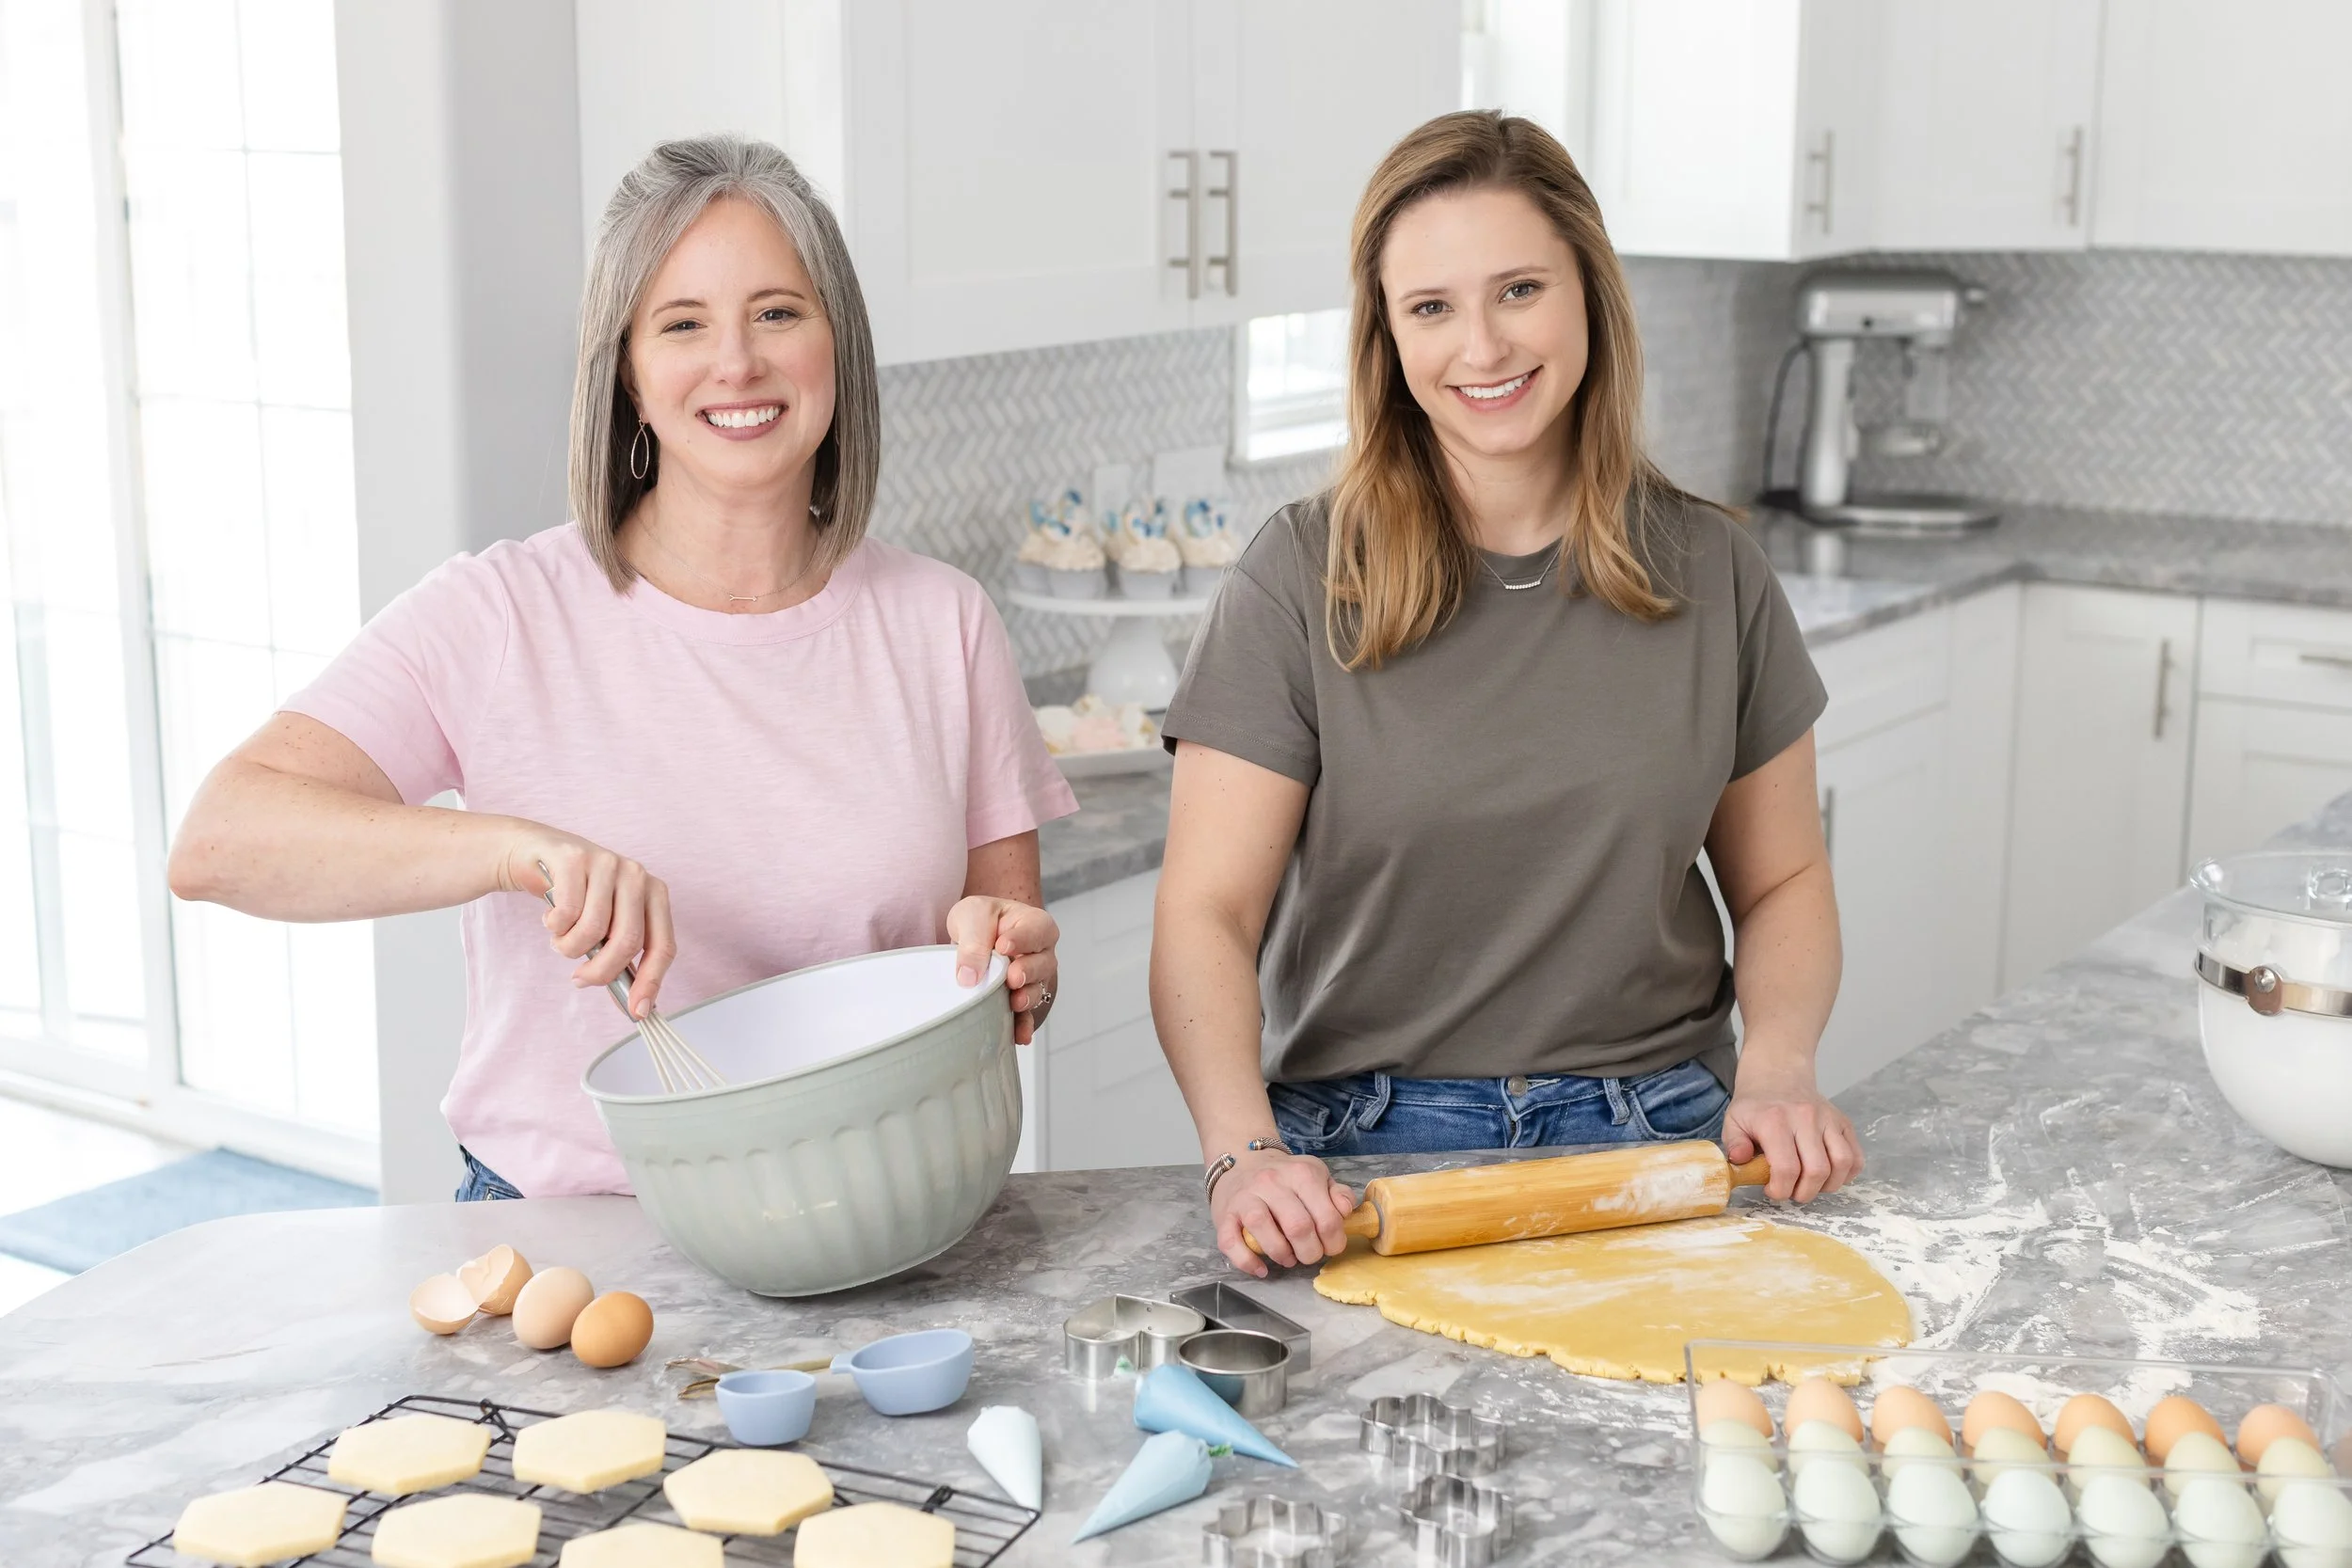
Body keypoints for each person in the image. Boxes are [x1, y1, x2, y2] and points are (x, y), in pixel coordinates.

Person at [168, 136, 1075, 1199]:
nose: (735, 362)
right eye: (682, 324)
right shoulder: (502, 613)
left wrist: (1011, 957)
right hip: (573, 1240)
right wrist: (519, 848)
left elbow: (1006, 973)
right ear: (630, 378)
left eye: (778, 312)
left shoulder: (943, 623)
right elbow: (221, 841)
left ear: (839, 347)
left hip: (877, 1215)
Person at [1151, 111, 1861, 1280]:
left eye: (1518, 289)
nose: (1480, 346)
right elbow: (1206, 914)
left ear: (1587, 293)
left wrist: (1779, 1065)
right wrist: (1241, 1153)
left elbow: (1782, 877)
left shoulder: (1713, 569)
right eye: (1430, 307)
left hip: (1662, 1140)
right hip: (1366, 1157)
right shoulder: (1300, 574)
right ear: (1387, 336)